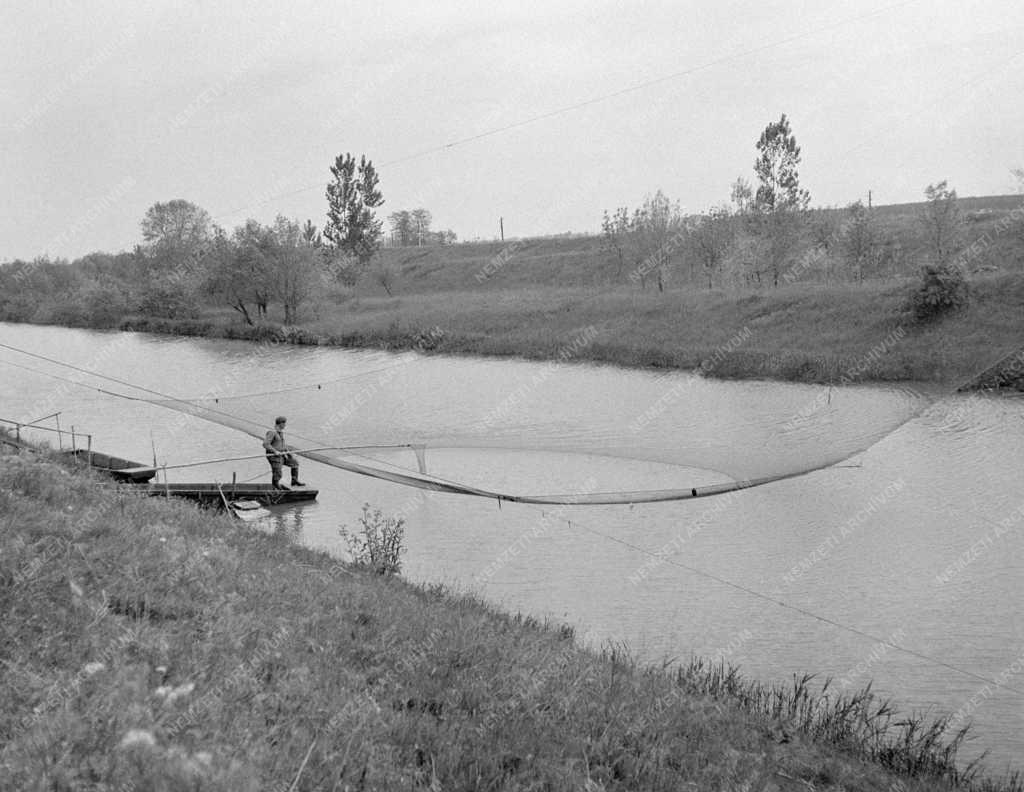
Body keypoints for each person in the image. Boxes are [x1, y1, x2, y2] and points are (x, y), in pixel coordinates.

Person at [264, 416, 305, 489]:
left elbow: (282, 445)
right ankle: (275, 486)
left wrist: (289, 454)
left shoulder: (280, 433)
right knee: (278, 473)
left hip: (282, 455)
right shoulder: (272, 432)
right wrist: (275, 451)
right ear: (281, 424)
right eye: (284, 424)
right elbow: (265, 444)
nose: (285, 425)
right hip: (274, 456)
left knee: (295, 463)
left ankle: (294, 481)